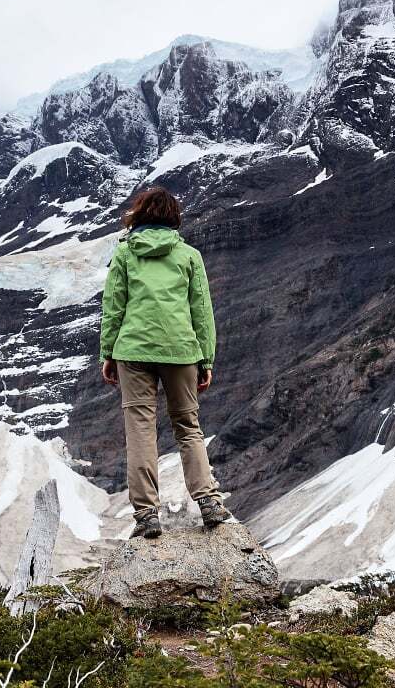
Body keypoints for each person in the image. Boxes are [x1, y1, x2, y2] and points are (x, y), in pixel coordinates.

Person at [99, 186, 231, 539]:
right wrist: (206, 359)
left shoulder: (126, 254)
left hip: (133, 350)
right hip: (181, 350)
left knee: (140, 429)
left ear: (138, 215)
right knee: (188, 426)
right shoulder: (189, 255)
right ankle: (209, 502)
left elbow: (114, 306)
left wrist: (108, 353)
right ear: (174, 218)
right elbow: (202, 311)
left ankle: (146, 515)